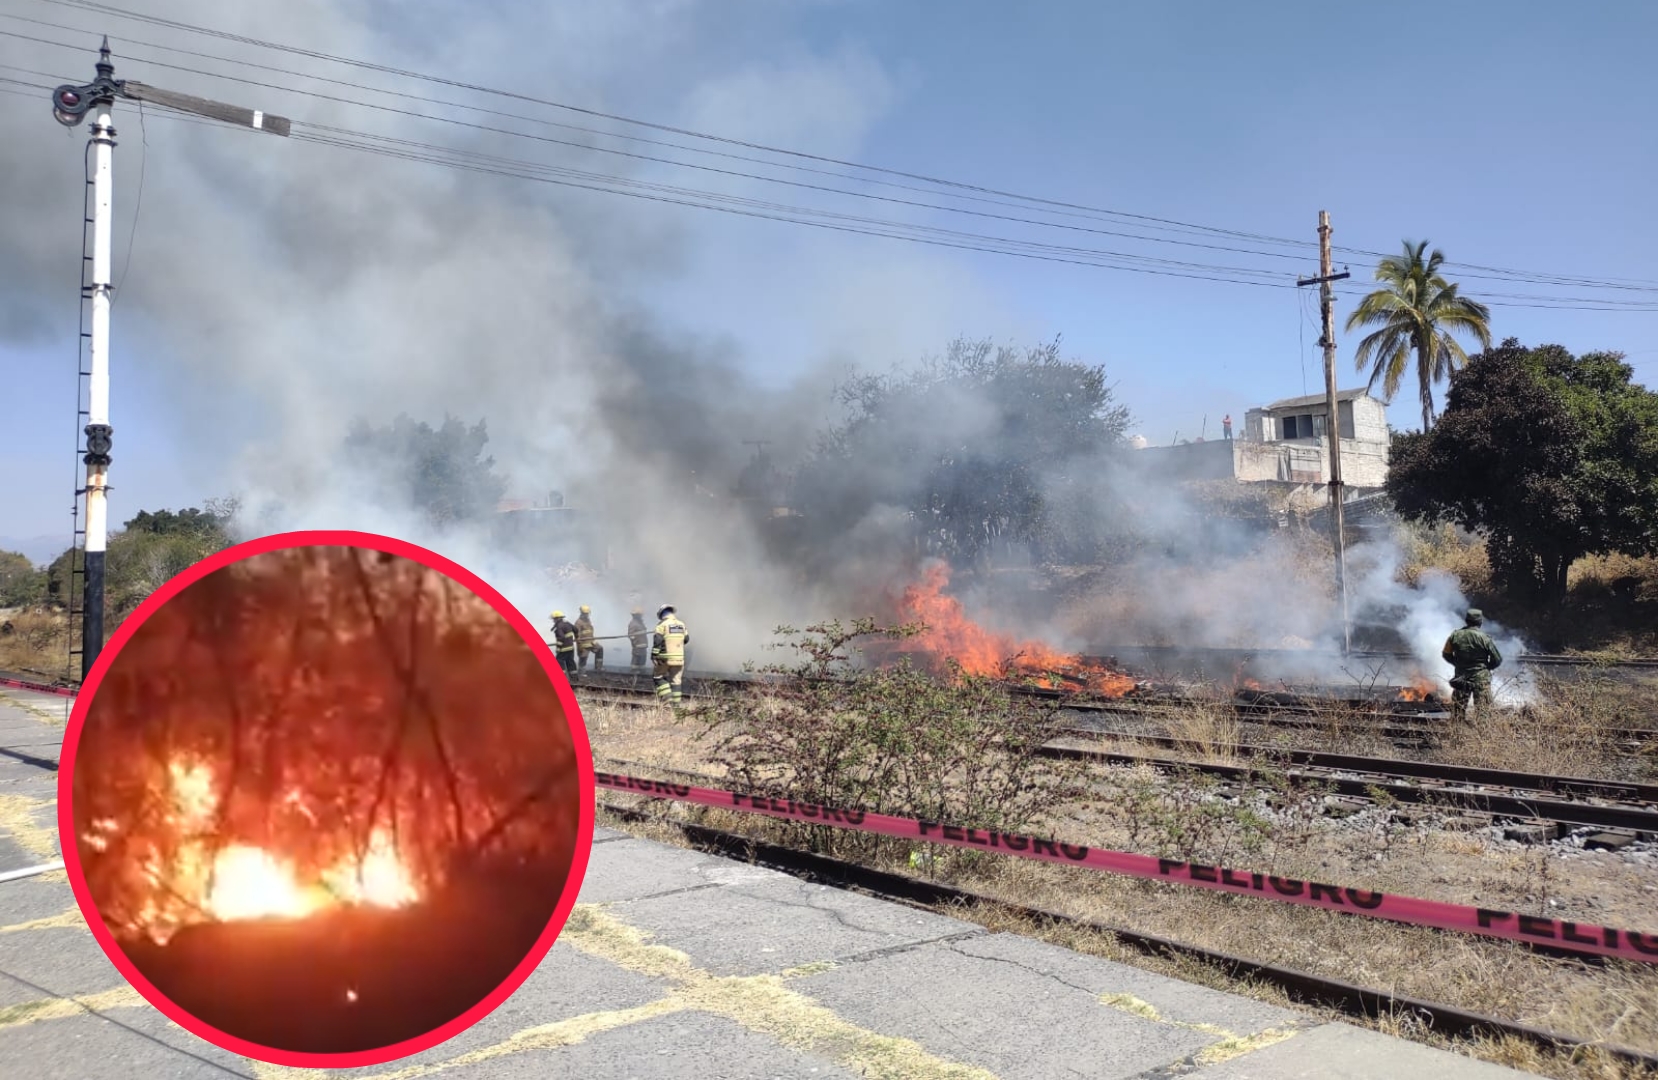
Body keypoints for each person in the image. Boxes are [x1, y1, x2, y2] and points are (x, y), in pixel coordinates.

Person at [1441, 608, 1502, 721]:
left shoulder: (1455, 636)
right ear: (1480, 622)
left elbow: (1446, 654)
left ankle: (1457, 736)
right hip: (1481, 679)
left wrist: (1458, 664)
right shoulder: (1485, 638)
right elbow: (1497, 659)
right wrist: (1487, 668)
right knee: (1483, 713)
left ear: (1466, 620)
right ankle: (1483, 737)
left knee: (1457, 712)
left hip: (1461, 679)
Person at [651, 603, 690, 703]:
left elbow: (657, 641)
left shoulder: (661, 625)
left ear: (662, 615)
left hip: (665, 658)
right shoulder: (682, 624)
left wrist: (654, 655)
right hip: (679, 658)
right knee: (676, 681)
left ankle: (667, 699)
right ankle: (676, 705)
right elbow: (686, 639)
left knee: (658, 676)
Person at [549, 610, 579, 679]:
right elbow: (576, 629)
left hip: (564, 648)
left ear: (557, 618)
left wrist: (558, 648)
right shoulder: (567, 623)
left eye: (554, 619)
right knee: (570, 662)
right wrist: (576, 637)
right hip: (571, 648)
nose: (553, 620)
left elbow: (561, 637)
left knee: (559, 661)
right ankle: (574, 678)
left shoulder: (559, 626)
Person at [575, 605, 604, 672]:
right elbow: (577, 635)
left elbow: (590, 631)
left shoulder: (588, 620)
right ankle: (581, 672)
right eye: (585, 614)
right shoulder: (578, 622)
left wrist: (593, 639)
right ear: (581, 613)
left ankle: (598, 668)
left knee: (600, 649)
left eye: (587, 613)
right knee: (583, 657)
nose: (586, 615)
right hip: (584, 644)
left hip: (591, 641)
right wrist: (580, 646)